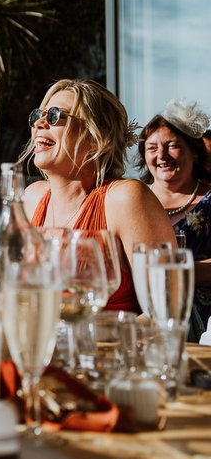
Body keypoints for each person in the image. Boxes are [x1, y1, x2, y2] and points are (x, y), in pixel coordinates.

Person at [20, 79, 176, 312]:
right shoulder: (32, 198)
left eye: (54, 116)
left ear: (95, 139)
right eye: (37, 116)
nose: (40, 123)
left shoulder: (125, 199)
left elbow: (164, 311)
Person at [137, 99, 211, 339]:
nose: (162, 155)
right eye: (152, 148)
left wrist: (179, 273)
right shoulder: (132, 200)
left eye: (172, 146)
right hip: (140, 313)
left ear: (194, 153)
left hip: (201, 322)